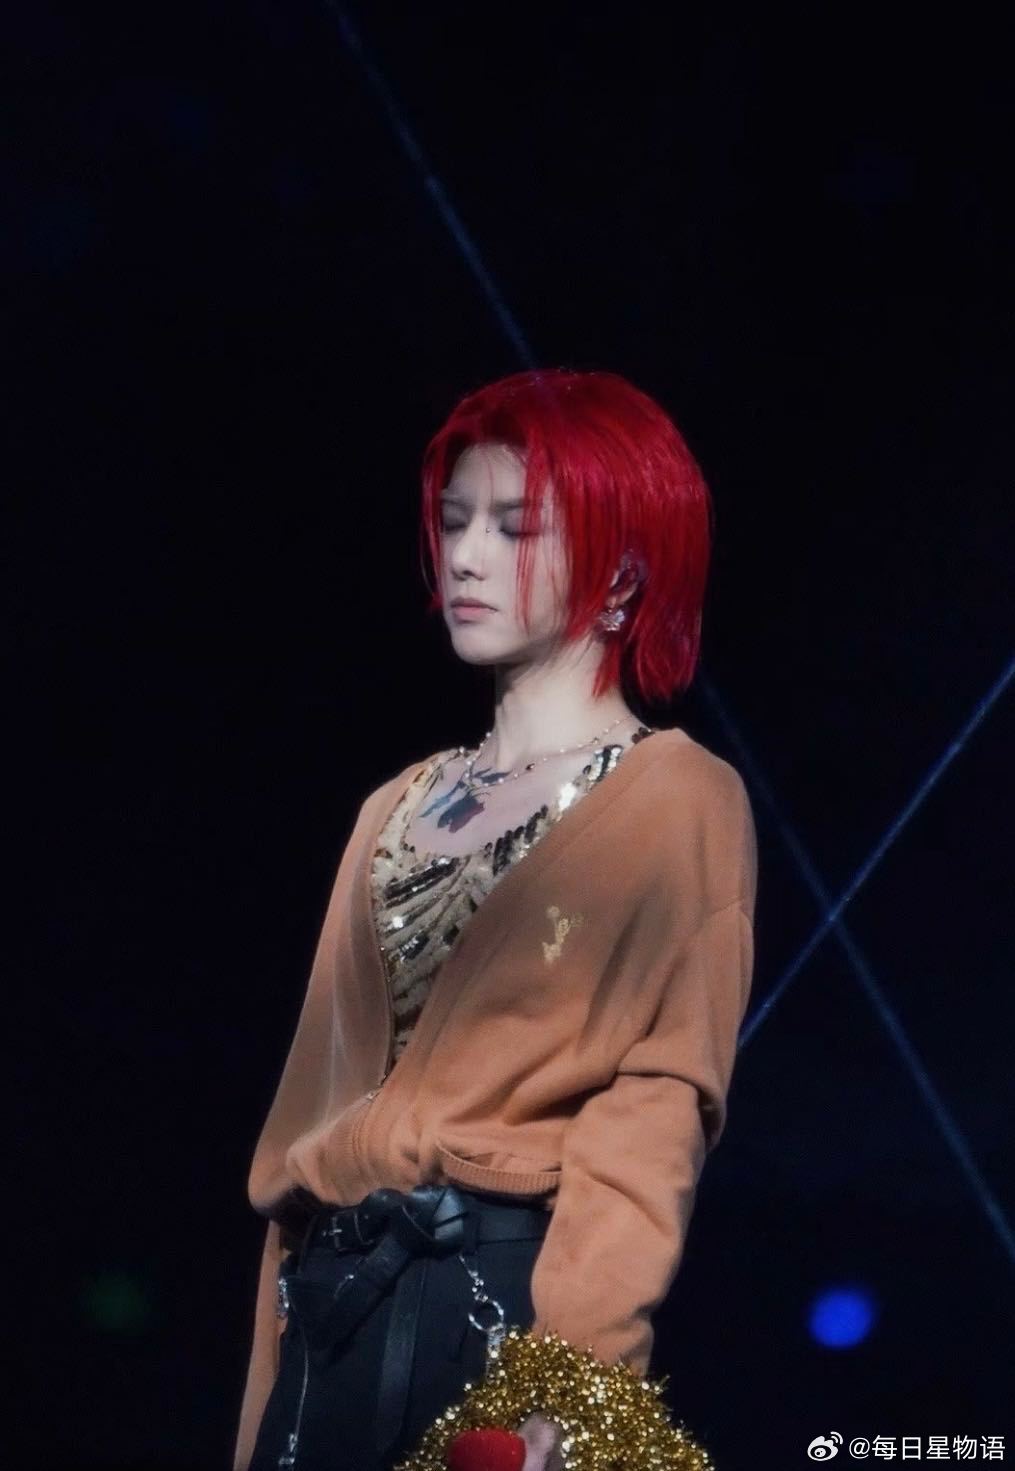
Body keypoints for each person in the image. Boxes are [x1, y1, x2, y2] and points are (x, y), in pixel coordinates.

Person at [233, 367, 758, 1471]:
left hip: (492, 1310)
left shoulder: (675, 797)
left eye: (516, 528)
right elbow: (304, 1127)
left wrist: (571, 1386)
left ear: (622, 572)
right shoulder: (395, 805)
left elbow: (655, 1105)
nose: (465, 555)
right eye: (454, 519)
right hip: (333, 1309)